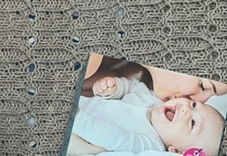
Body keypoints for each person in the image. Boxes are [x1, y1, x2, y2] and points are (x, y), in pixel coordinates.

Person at [68, 77, 225, 156]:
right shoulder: (153, 100)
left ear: (176, 150)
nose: (187, 110)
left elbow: (118, 138)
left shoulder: (151, 144)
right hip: (82, 99)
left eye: (192, 123)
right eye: (194, 105)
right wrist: (116, 87)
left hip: (77, 124)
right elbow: (133, 86)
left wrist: (80, 120)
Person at [83, 53, 227, 104]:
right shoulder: (91, 64)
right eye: (203, 85)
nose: (199, 101)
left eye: (210, 97)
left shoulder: (120, 74)